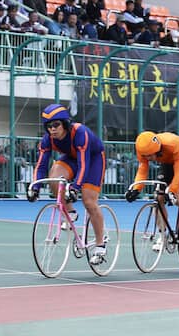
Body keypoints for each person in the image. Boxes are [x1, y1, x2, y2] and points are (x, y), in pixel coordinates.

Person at [27, 104, 108, 265]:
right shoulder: (47, 139)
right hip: (71, 158)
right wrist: (35, 187)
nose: (52, 129)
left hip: (93, 160)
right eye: (48, 126)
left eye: (56, 125)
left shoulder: (80, 133)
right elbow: (41, 165)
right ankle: (70, 212)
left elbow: (84, 164)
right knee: (54, 177)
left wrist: (75, 188)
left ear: (64, 123)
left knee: (88, 201)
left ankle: (100, 245)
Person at [125, 131, 179, 249]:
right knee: (159, 197)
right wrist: (136, 189)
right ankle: (162, 236)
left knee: (177, 193)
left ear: (157, 150)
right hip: (167, 164)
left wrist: (172, 190)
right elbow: (143, 169)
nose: (148, 158)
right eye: (145, 156)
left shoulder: (172, 145)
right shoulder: (143, 149)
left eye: (150, 156)